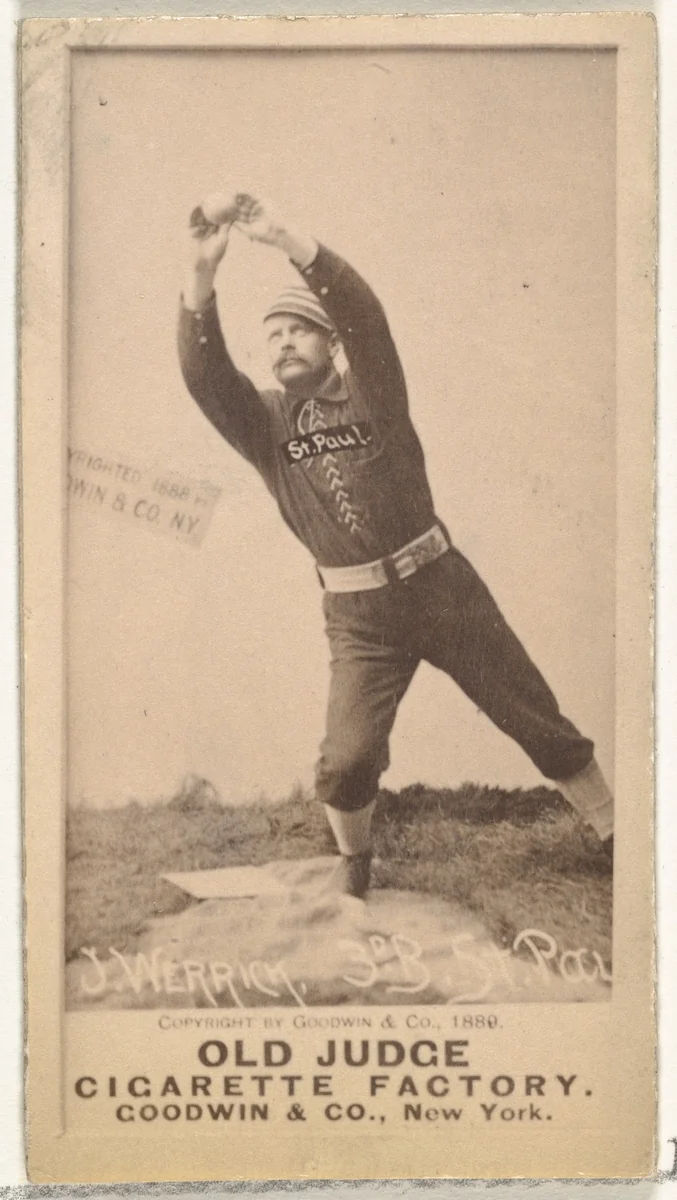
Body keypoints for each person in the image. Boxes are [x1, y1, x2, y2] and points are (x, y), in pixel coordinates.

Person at [178, 191, 614, 899]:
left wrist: (286, 238)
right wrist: (200, 272)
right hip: (359, 618)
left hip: (441, 586)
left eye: (301, 330)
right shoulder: (263, 424)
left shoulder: (372, 392)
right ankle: (355, 869)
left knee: (530, 711)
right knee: (346, 761)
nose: (285, 340)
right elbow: (205, 377)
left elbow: (366, 318)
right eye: (275, 333)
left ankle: (617, 832)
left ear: (331, 345)